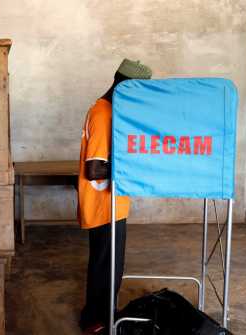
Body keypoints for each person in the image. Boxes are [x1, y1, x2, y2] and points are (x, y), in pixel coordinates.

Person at [78, 59, 152, 334]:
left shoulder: (112, 111)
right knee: (104, 266)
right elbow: (94, 168)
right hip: (102, 205)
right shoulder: (103, 114)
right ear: (126, 85)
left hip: (113, 204)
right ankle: (93, 321)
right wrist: (131, 165)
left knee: (112, 266)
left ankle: (106, 314)